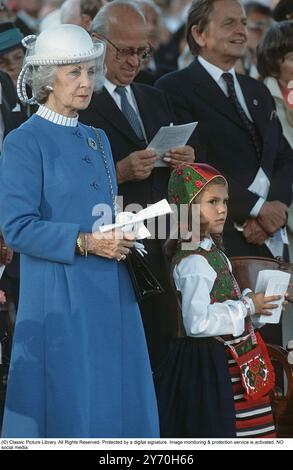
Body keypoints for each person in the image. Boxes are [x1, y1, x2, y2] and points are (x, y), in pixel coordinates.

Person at [0, 24, 159, 438]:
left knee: (117, 400)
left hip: (113, 287)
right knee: (72, 401)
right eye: (74, 73)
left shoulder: (98, 138)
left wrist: (128, 225)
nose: (87, 82)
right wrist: (86, 241)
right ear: (46, 79)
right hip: (59, 293)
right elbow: (16, 228)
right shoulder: (23, 141)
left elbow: (100, 209)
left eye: (90, 71)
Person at [155, 0, 293, 346]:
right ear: (199, 34)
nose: (241, 31)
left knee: (273, 341)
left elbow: (285, 158)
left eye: (244, 23)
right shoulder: (174, 88)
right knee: (230, 346)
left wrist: (274, 208)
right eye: (230, 23)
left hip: (270, 237)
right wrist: (257, 209)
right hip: (219, 237)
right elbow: (195, 165)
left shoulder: (255, 89)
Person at [79, 0, 195, 370]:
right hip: (107, 247)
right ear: (96, 42)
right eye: (125, 51)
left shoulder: (154, 96)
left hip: (161, 245)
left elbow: (180, 175)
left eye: (142, 52)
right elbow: (68, 181)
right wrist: (119, 171)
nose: (134, 62)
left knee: (161, 355)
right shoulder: (80, 102)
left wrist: (184, 160)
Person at [154, 162, 284, 437]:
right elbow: (197, 323)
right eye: (212, 201)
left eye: (224, 201)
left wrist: (259, 306)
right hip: (213, 367)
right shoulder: (193, 263)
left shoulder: (214, 253)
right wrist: (248, 306)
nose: (223, 209)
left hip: (237, 364)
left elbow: (226, 304)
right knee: (229, 431)